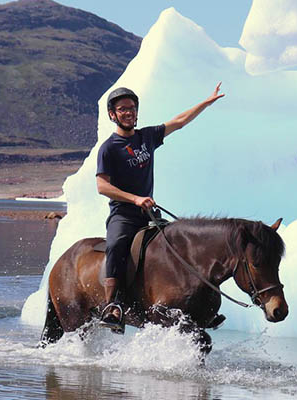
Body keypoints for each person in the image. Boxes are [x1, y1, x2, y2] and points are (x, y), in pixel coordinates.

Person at [94, 83, 225, 331]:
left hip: (149, 215)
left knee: (179, 246)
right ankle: (113, 306)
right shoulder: (109, 149)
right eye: (122, 109)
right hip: (124, 215)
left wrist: (206, 103)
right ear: (112, 114)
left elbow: (179, 121)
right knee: (116, 244)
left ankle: (196, 305)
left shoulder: (147, 137)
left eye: (132, 108)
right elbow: (102, 186)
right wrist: (134, 198)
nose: (128, 112)